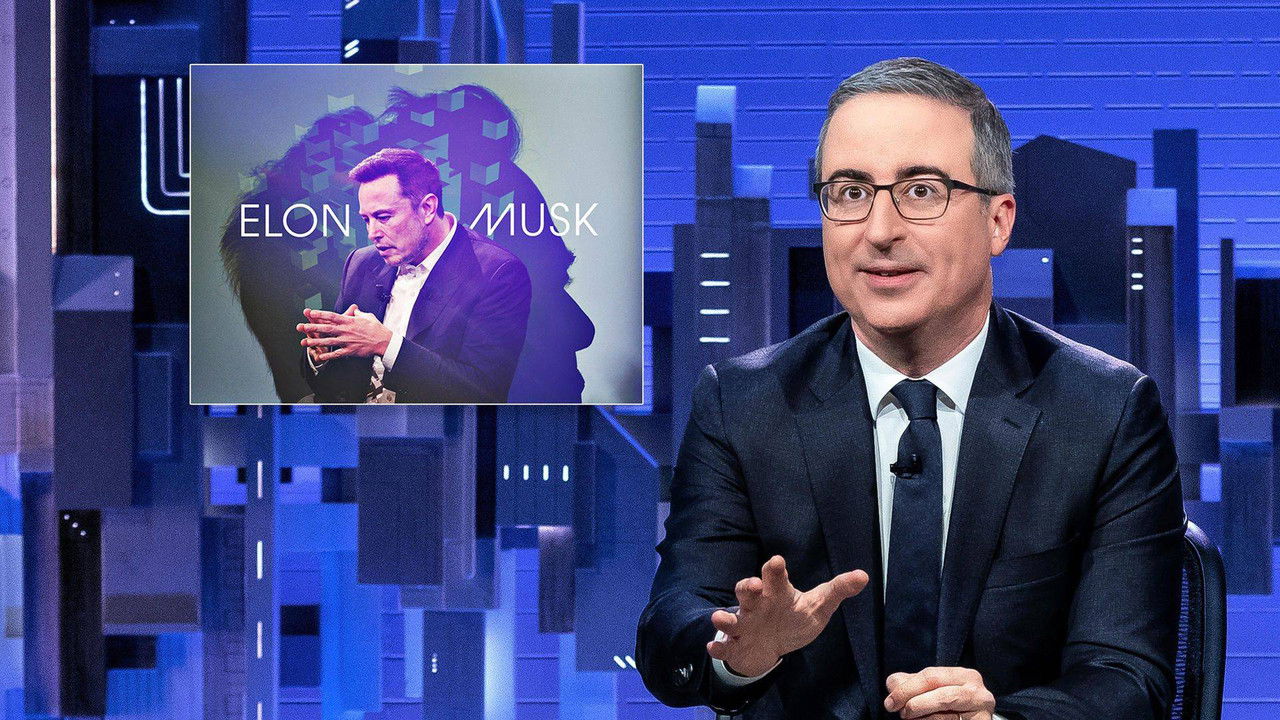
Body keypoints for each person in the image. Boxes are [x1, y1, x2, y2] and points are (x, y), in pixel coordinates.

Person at [636, 57, 1183, 720]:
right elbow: (672, 626)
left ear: (998, 221)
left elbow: (1127, 678)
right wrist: (738, 651)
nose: (880, 231)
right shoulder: (743, 404)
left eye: (921, 192)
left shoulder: (1105, 412)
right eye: (849, 193)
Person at [297, 147, 531, 403]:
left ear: (427, 208)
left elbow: (482, 393)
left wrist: (386, 345)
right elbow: (333, 386)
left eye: (383, 217)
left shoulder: (497, 273)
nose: (372, 233)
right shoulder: (361, 263)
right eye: (366, 219)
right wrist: (323, 353)